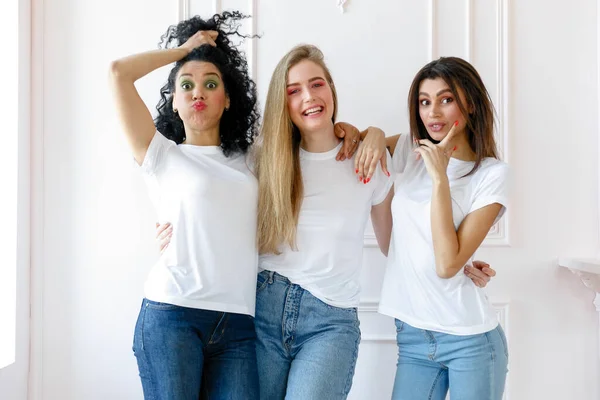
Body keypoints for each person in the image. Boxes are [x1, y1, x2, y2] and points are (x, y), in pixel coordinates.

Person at [109, 12, 262, 399]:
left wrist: (370, 135)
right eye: (186, 85)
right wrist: (185, 50)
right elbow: (118, 73)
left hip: (238, 324)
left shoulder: (254, 159)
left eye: (211, 84)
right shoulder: (160, 154)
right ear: (174, 102)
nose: (198, 92)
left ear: (227, 100)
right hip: (171, 315)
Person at [378, 56, 510, 399]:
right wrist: (374, 133)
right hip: (412, 335)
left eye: (446, 99)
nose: (433, 112)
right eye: (425, 101)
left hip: (469, 341)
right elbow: (357, 143)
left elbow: (447, 263)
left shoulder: (491, 175)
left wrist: (439, 178)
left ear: (471, 103)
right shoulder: (408, 149)